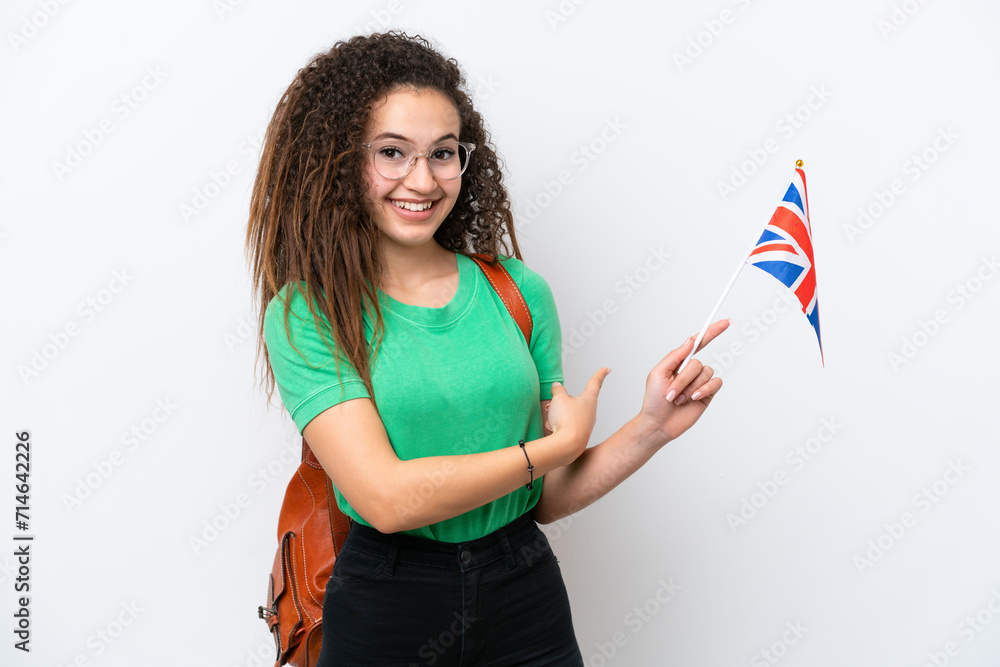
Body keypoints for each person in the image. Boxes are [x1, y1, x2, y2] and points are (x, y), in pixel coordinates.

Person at [245, 31, 729, 667]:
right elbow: (387, 500)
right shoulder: (310, 312)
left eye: (443, 153)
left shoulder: (516, 292)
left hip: (523, 589)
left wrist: (650, 428)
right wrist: (553, 446)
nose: (422, 179)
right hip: (388, 603)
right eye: (392, 152)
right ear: (342, 160)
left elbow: (544, 497)